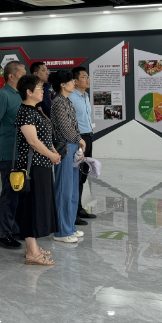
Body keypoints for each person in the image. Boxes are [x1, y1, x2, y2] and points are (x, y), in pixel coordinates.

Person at [15, 74, 60, 264]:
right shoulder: (25, 112)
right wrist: (51, 155)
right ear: (29, 92)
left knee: (39, 205)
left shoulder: (35, 110)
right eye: (40, 89)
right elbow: (33, 141)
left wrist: (53, 152)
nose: (43, 92)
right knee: (30, 206)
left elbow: (44, 137)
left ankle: (31, 246)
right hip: (31, 167)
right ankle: (32, 252)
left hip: (42, 164)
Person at [0, 60, 26, 249]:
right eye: (22, 74)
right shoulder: (3, 95)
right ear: (11, 76)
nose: (25, 76)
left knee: (18, 191)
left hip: (20, 151)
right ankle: (3, 234)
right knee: (9, 192)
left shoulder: (20, 94)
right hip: (8, 151)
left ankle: (15, 229)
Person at [49, 71, 86, 244]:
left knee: (72, 190)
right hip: (64, 147)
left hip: (72, 146)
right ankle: (61, 231)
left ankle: (69, 226)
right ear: (62, 84)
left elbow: (74, 126)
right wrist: (79, 140)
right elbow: (65, 129)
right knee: (63, 189)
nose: (74, 83)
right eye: (71, 81)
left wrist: (78, 142)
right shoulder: (58, 102)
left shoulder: (67, 101)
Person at [69, 66, 97, 225]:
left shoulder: (85, 96)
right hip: (78, 139)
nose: (87, 79)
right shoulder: (71, 97)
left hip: (88, 136)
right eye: (84, 77)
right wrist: (78, 138)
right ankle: (72, 212)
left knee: (84, 174)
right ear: (75, 81)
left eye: (88, 77)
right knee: (76, 176)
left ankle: (79, 208)